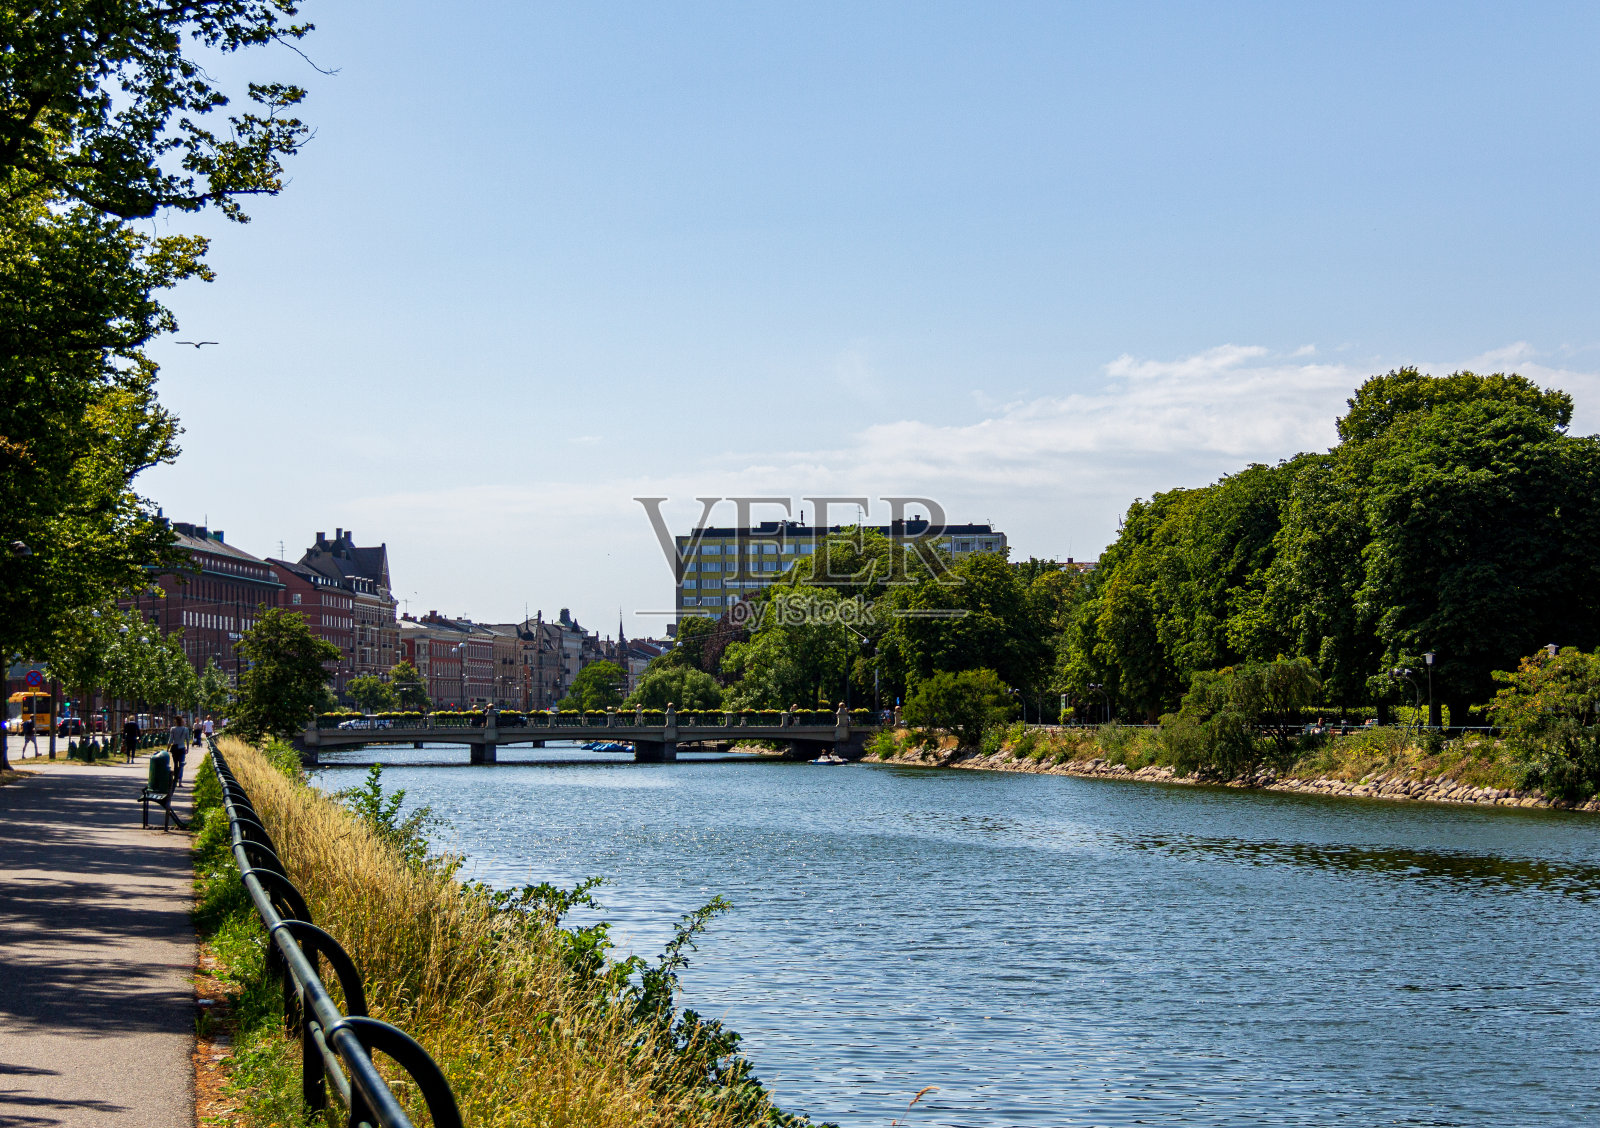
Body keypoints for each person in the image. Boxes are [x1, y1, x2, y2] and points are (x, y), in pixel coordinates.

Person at [168, 716, 191, 788]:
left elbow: (170, 740)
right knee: (181, 765)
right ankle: (180, 781)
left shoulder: (173, 729)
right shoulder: (186, 729)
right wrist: (187, 748)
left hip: (174, 749)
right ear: (182, 722)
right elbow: (187, 740)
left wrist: (167, 748)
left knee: (175, 764)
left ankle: (175, 780)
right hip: (182, 748)